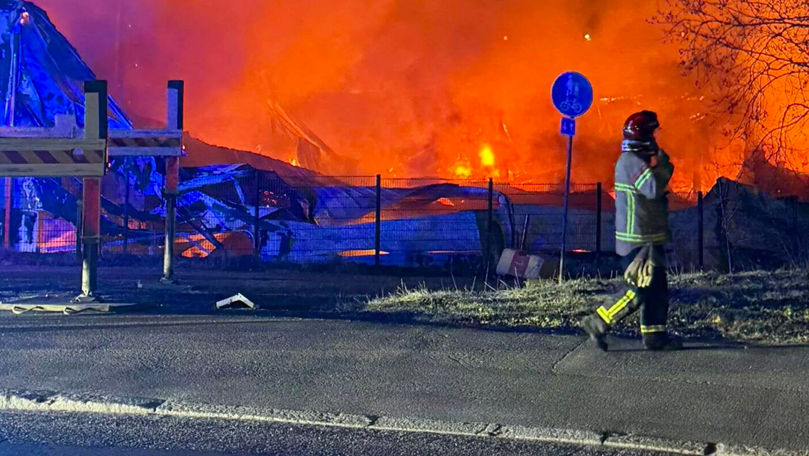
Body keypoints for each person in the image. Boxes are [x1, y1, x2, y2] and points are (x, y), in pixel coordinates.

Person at [581, 110, 682, 351]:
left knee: (657, 291)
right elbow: (652, 187)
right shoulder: (631, 162)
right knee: (638, 290)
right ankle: (598, 321)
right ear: (644, 136)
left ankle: (655, 337)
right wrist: (666, 165)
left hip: (649, 238)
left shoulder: (636, 161)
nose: (656, 138)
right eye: (653, 132)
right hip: (637, 241)